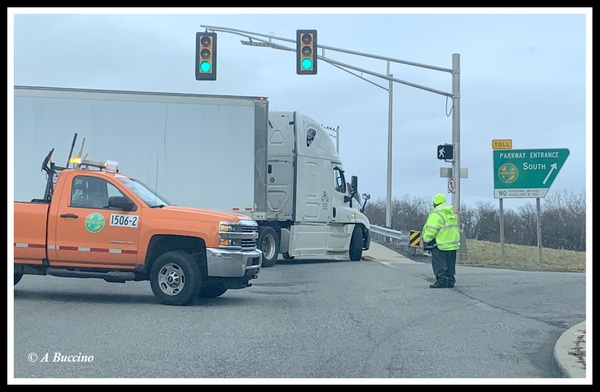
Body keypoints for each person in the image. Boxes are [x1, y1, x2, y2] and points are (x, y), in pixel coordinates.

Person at [422, 193, 461, 288]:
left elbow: (432, 229)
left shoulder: (436, 213)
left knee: (439, 264)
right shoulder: (450, 213)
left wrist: (426, 239)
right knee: (450, 264)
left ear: (435, 203)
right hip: (452, 244)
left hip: (440, 244)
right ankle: (450, 280)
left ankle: (442, 281)